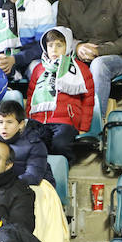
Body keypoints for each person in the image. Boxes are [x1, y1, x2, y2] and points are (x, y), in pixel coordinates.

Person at [57, 0, 122, 122]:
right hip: (76, 55)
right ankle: (60, 122)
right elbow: (61, 37)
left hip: (113, 57)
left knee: (99, 65)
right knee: (54, 64)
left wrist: (99, 50)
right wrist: (77, 47)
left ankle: (95, 123)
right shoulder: (65, 1)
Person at [26, 27, 95, 160]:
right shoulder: (38, 69)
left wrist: (84, 127)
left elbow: (88, 100)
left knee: (59, 145)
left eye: (59, 45)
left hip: (66, 122)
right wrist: (28, 120)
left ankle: (63, 172)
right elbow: (30, 97)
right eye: (50, 45)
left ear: (68, 46)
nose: (54, 49)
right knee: (33, 145)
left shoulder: (80, 69)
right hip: (39, 121)